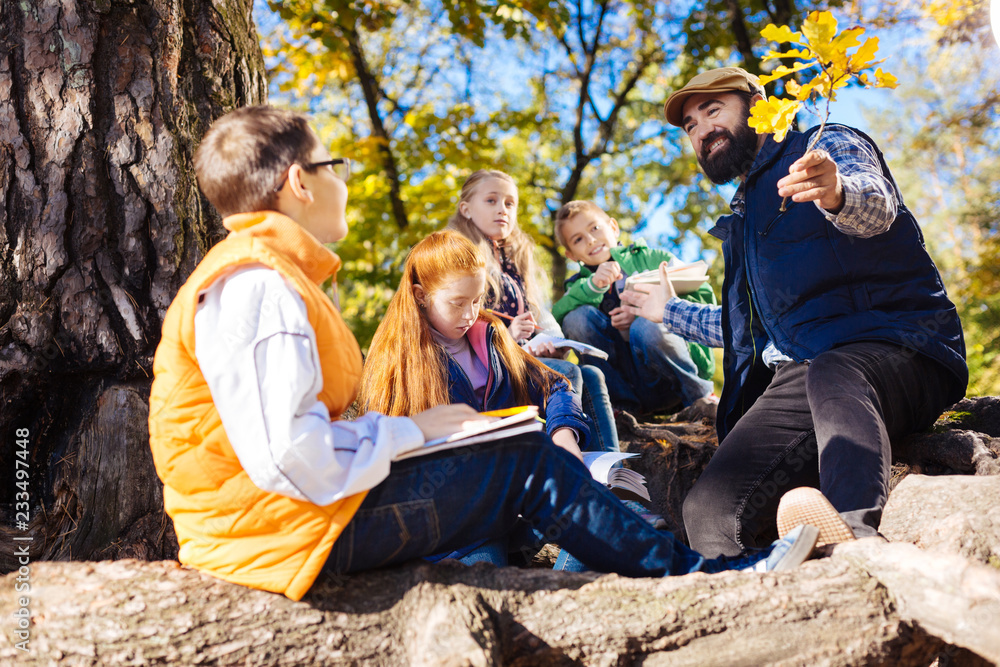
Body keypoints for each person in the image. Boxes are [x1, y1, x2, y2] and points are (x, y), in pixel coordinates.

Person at [146, 105, 828, 600]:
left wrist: (431, 437)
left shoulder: (267, 277)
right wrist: (414, 430)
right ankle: (704, 582)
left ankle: (626, 559)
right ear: (299, 181)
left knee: (512, 451)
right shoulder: (259, 287)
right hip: (276, 536)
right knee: (521, 464)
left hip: (282, 521)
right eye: (336, 165)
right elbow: (289, 457)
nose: (343, 180)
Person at [622, 67, 968, 558]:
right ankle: (782, 582)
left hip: (896, 344)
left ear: (758, 106)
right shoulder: (743, 221)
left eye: (713, 110)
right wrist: (666, 312)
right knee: (711, 512)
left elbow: (876, 205)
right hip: (802, 376)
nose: (702, 130)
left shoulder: (823, 147)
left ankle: (857, 547)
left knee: (834, 369)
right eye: (690, 126)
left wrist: (836, 193)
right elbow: (745, 329)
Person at [359, 229, 593, 565]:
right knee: (487, 572)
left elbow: (553, 385)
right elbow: (393, 456)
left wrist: (563, 437)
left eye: (478, 299)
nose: (470, 314)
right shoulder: (396, 360)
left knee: (597, 511)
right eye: (457, 302)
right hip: (457, 525)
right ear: (420, 295)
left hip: (518, 495)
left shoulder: (491, 334)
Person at [446, 170, 620, 454]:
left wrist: (552, 343)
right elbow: (454, 322)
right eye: (491, 200)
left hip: (522, 362)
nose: (502, 209)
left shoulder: (518, 259)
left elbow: (540, 316)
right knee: (564, 373)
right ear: (466, 209)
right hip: (484, 374)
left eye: (509, 203)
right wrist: (505, 336)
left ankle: (611, 471)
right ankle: (568, 462)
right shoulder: (457, 256)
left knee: (591, 375)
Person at [552, 200, 718, 417]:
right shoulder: (577, 287)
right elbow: (556, 317)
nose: (591, 240)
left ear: (613, 227)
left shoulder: (654, 258)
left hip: (667, 377)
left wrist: (654, 310)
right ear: (572, 255)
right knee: (575, 319)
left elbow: (703, 294)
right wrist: (592, 286)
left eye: (594, 228)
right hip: (624, 386)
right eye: (578, 239)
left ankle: (700, 398)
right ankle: (621, 410)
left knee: (648, 325)